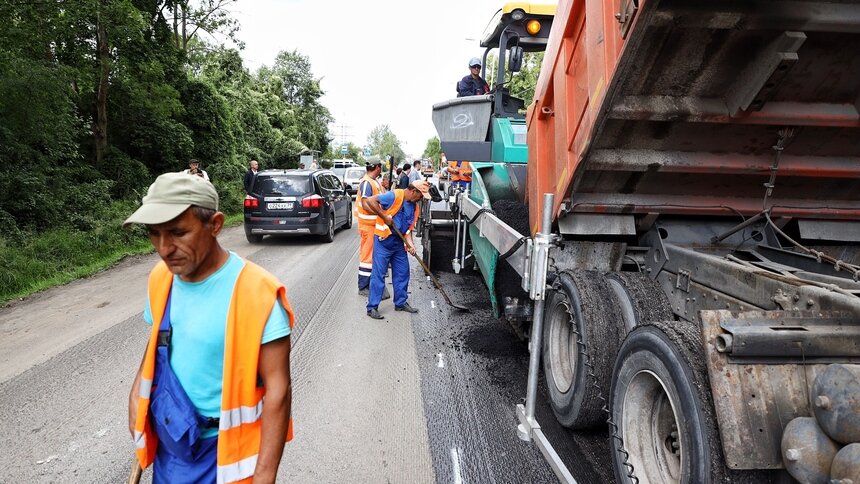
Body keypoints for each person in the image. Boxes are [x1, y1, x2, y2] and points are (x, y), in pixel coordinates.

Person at [124, 172, 294, 483]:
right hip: (174, 445)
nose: (164, 249)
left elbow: (278, 390)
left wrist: (265, 474)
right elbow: (159, 341)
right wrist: (137, 389)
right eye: (154, 233)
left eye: (177, 232)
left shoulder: (258, 292)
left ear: (215, 224)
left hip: (230, 456)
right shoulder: (160, 279)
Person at [362, 180, 432, 319]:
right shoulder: (394, 196)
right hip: (384, 242)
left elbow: (408, 229)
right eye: (421, 195)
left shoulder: (415, 207)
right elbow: (369, 201)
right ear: (414, 191)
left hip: (399, 244)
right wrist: (384, 216)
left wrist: (410, 245)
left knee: (402, 272)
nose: (421, 199)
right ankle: (372, 307)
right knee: (379, 275)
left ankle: (400, 303)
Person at [354, 160, 389, 299]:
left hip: (373, 226)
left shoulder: (374, 181)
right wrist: (381, 214)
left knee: (371, 257)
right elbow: (365, 203)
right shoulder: (367, 182)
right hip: (367, 226)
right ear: (377, 167)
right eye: (380, 167)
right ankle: (363, 287)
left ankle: (371, 285)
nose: (381, 169)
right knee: (367, 258)